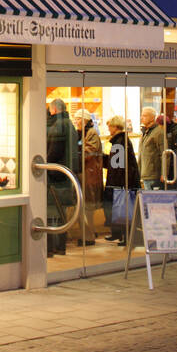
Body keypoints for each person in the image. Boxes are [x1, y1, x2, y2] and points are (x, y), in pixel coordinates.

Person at [45, 97, 79, 256]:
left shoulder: (58, 125)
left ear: (54, 110)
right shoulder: (70, 124)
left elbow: (54, 152)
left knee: (51, 211)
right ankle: (60, 246)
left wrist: (44, 165)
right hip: (67, 174)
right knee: (61, 212)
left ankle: (51, 248)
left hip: (56, 176)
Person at [104, 115, 140, 243]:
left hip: (121, 183)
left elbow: (117, 165)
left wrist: (115, 185)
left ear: (115, 127)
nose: (108, 129)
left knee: (123, 210)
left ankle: (126, 237)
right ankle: (121, 235)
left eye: (110, 126)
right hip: (125, 181)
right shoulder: (122, 141)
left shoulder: (119, 142)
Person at [72, 110, 104, 246]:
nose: (76, 121)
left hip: (89, 176)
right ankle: (88, 234)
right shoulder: (80, 133)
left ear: (85, 120)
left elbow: (90, 152)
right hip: (82, 174)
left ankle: (89, 237)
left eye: (78, 119)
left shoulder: (91, 133)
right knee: (83, 208)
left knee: (87, 208)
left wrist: (76, 153)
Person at [138, 107, 165, 189]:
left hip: (153, 175)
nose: (141, 118)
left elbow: (164, 154)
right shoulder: (146, 132)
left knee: (153, 200)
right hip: (145, 174)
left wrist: (164, 173)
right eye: (141, 115)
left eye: (145, 116)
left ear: (152, 117)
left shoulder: (158, 133)